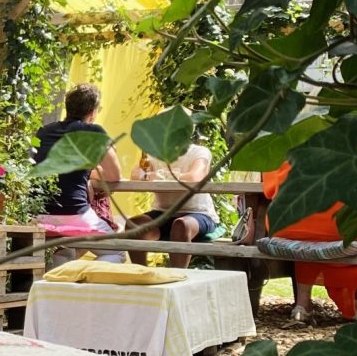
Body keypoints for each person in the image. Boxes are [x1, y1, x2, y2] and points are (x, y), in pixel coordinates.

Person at [255, 162, 357, 323]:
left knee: (304, 239)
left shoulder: (280, 154)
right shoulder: (347, 156)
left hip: (285, 224)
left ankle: (302, 306)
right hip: (338, 225)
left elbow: (269, 191)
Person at [34, 84, 124, 265]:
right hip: (74, 215)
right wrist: (93, 174)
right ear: (92, 112)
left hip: (39, 216)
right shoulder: (93, 131)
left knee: (66, 249)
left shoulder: (44, 132)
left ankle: (61, 276)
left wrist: (87, 174)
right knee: (117, 252)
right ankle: (82, 278)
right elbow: (114, 175)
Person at [125, 144, 220, 268]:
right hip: (163, 212)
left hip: (199, 212)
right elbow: (135, 176)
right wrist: (148, 176)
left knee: (181, 225)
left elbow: (195, 177)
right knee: (133, 226)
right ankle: (141, 272)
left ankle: (178, 275)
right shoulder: (154, 153)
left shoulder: (199, 152)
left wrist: (161, 175)